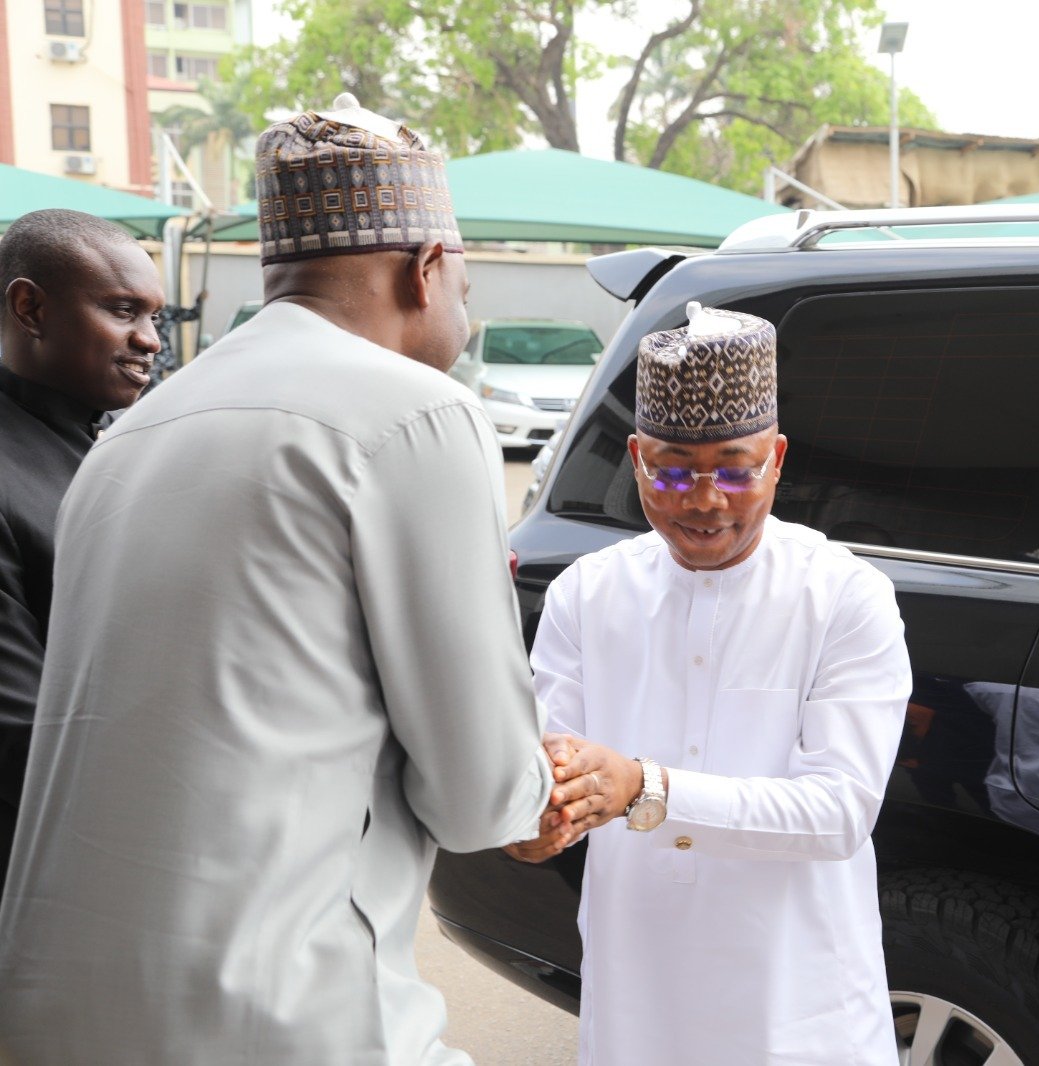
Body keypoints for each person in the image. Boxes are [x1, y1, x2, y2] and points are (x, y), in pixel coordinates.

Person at [0, 97, 551, 1064]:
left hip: (56, 1014)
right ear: (426, 270)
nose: (465, 318)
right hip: (281, 1018)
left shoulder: (130, 436)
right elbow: (483, 800)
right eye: (467, 286)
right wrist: (547, 775)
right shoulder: (419, 413)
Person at [506, 302, 912, 1065]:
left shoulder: (843, 597)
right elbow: (548, 773)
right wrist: (534, 825)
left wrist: (644, 788)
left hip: (794, 1012)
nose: (704, 500)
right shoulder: (587, 595)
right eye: (672, 470)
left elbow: (839, 812)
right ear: (634, 458)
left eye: (735, 468)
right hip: (639, 1003)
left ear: (779, 459)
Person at [0, 209, 163, 894]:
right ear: (30, 307)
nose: (149, 340)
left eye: (157, 316)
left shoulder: (88, 450)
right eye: (122, 310)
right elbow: (22, 735)